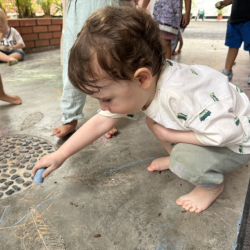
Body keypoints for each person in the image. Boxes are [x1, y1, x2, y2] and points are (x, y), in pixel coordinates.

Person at [33, 6, 250, 214]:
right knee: (154, 123)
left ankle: (210, 186)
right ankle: (176, 156)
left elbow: (230, 133)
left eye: (107, 99)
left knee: (181, 155)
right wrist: (60, 155)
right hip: (215, 125)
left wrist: (169, 135)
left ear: (142, 78)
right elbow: (101, 121)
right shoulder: (145, 84)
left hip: (237, 140)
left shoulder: (179, 96)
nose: (103, 107)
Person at [54, 0, 138, 139]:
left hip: (111, 5)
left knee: (112, 62)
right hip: (78, 7)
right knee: (73, 61)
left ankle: (110, 115)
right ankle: (70, 117)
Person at [215, 0, 250, 84]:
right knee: (232, 45)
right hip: (235, 18)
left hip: (248, 19)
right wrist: (225, 2)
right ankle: (227, 71)